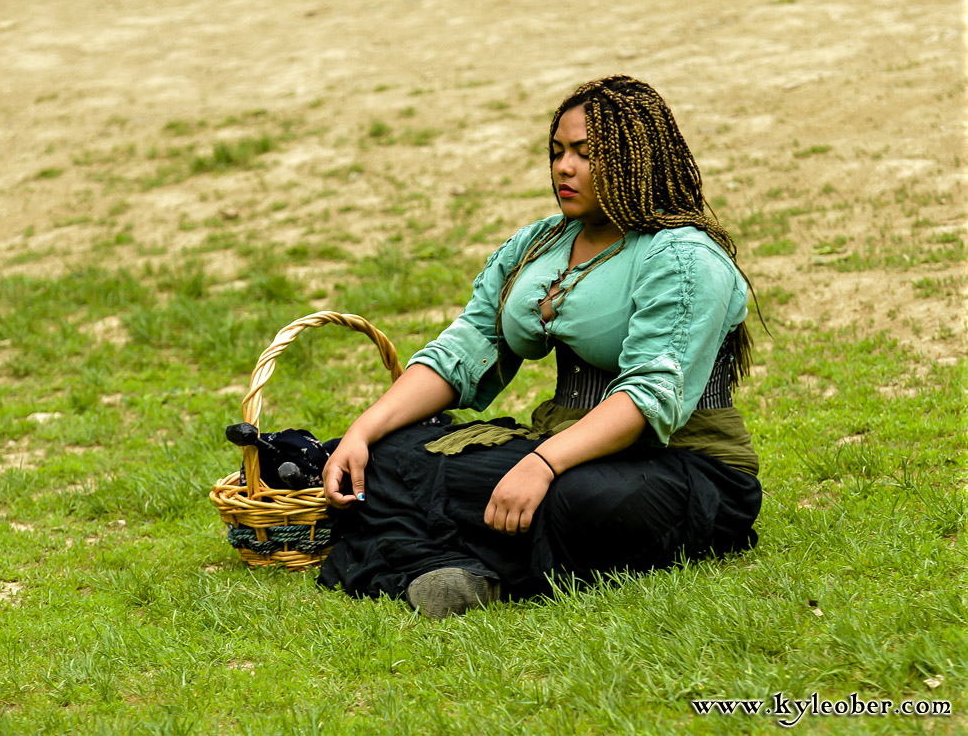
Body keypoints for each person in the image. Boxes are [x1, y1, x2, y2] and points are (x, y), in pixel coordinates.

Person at [316, 76, 762, 618]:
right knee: (386, 459)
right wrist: (364, 430)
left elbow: (651, 395)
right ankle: (454, 569)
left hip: (683, 464)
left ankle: (441, 560)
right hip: (559, 443)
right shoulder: (539, 244)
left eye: (585, 153)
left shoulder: (686, 258)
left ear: (636, 160)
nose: (563, 168)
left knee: (576, 500)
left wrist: (543, 465)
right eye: (557, 152)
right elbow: (467, 347)